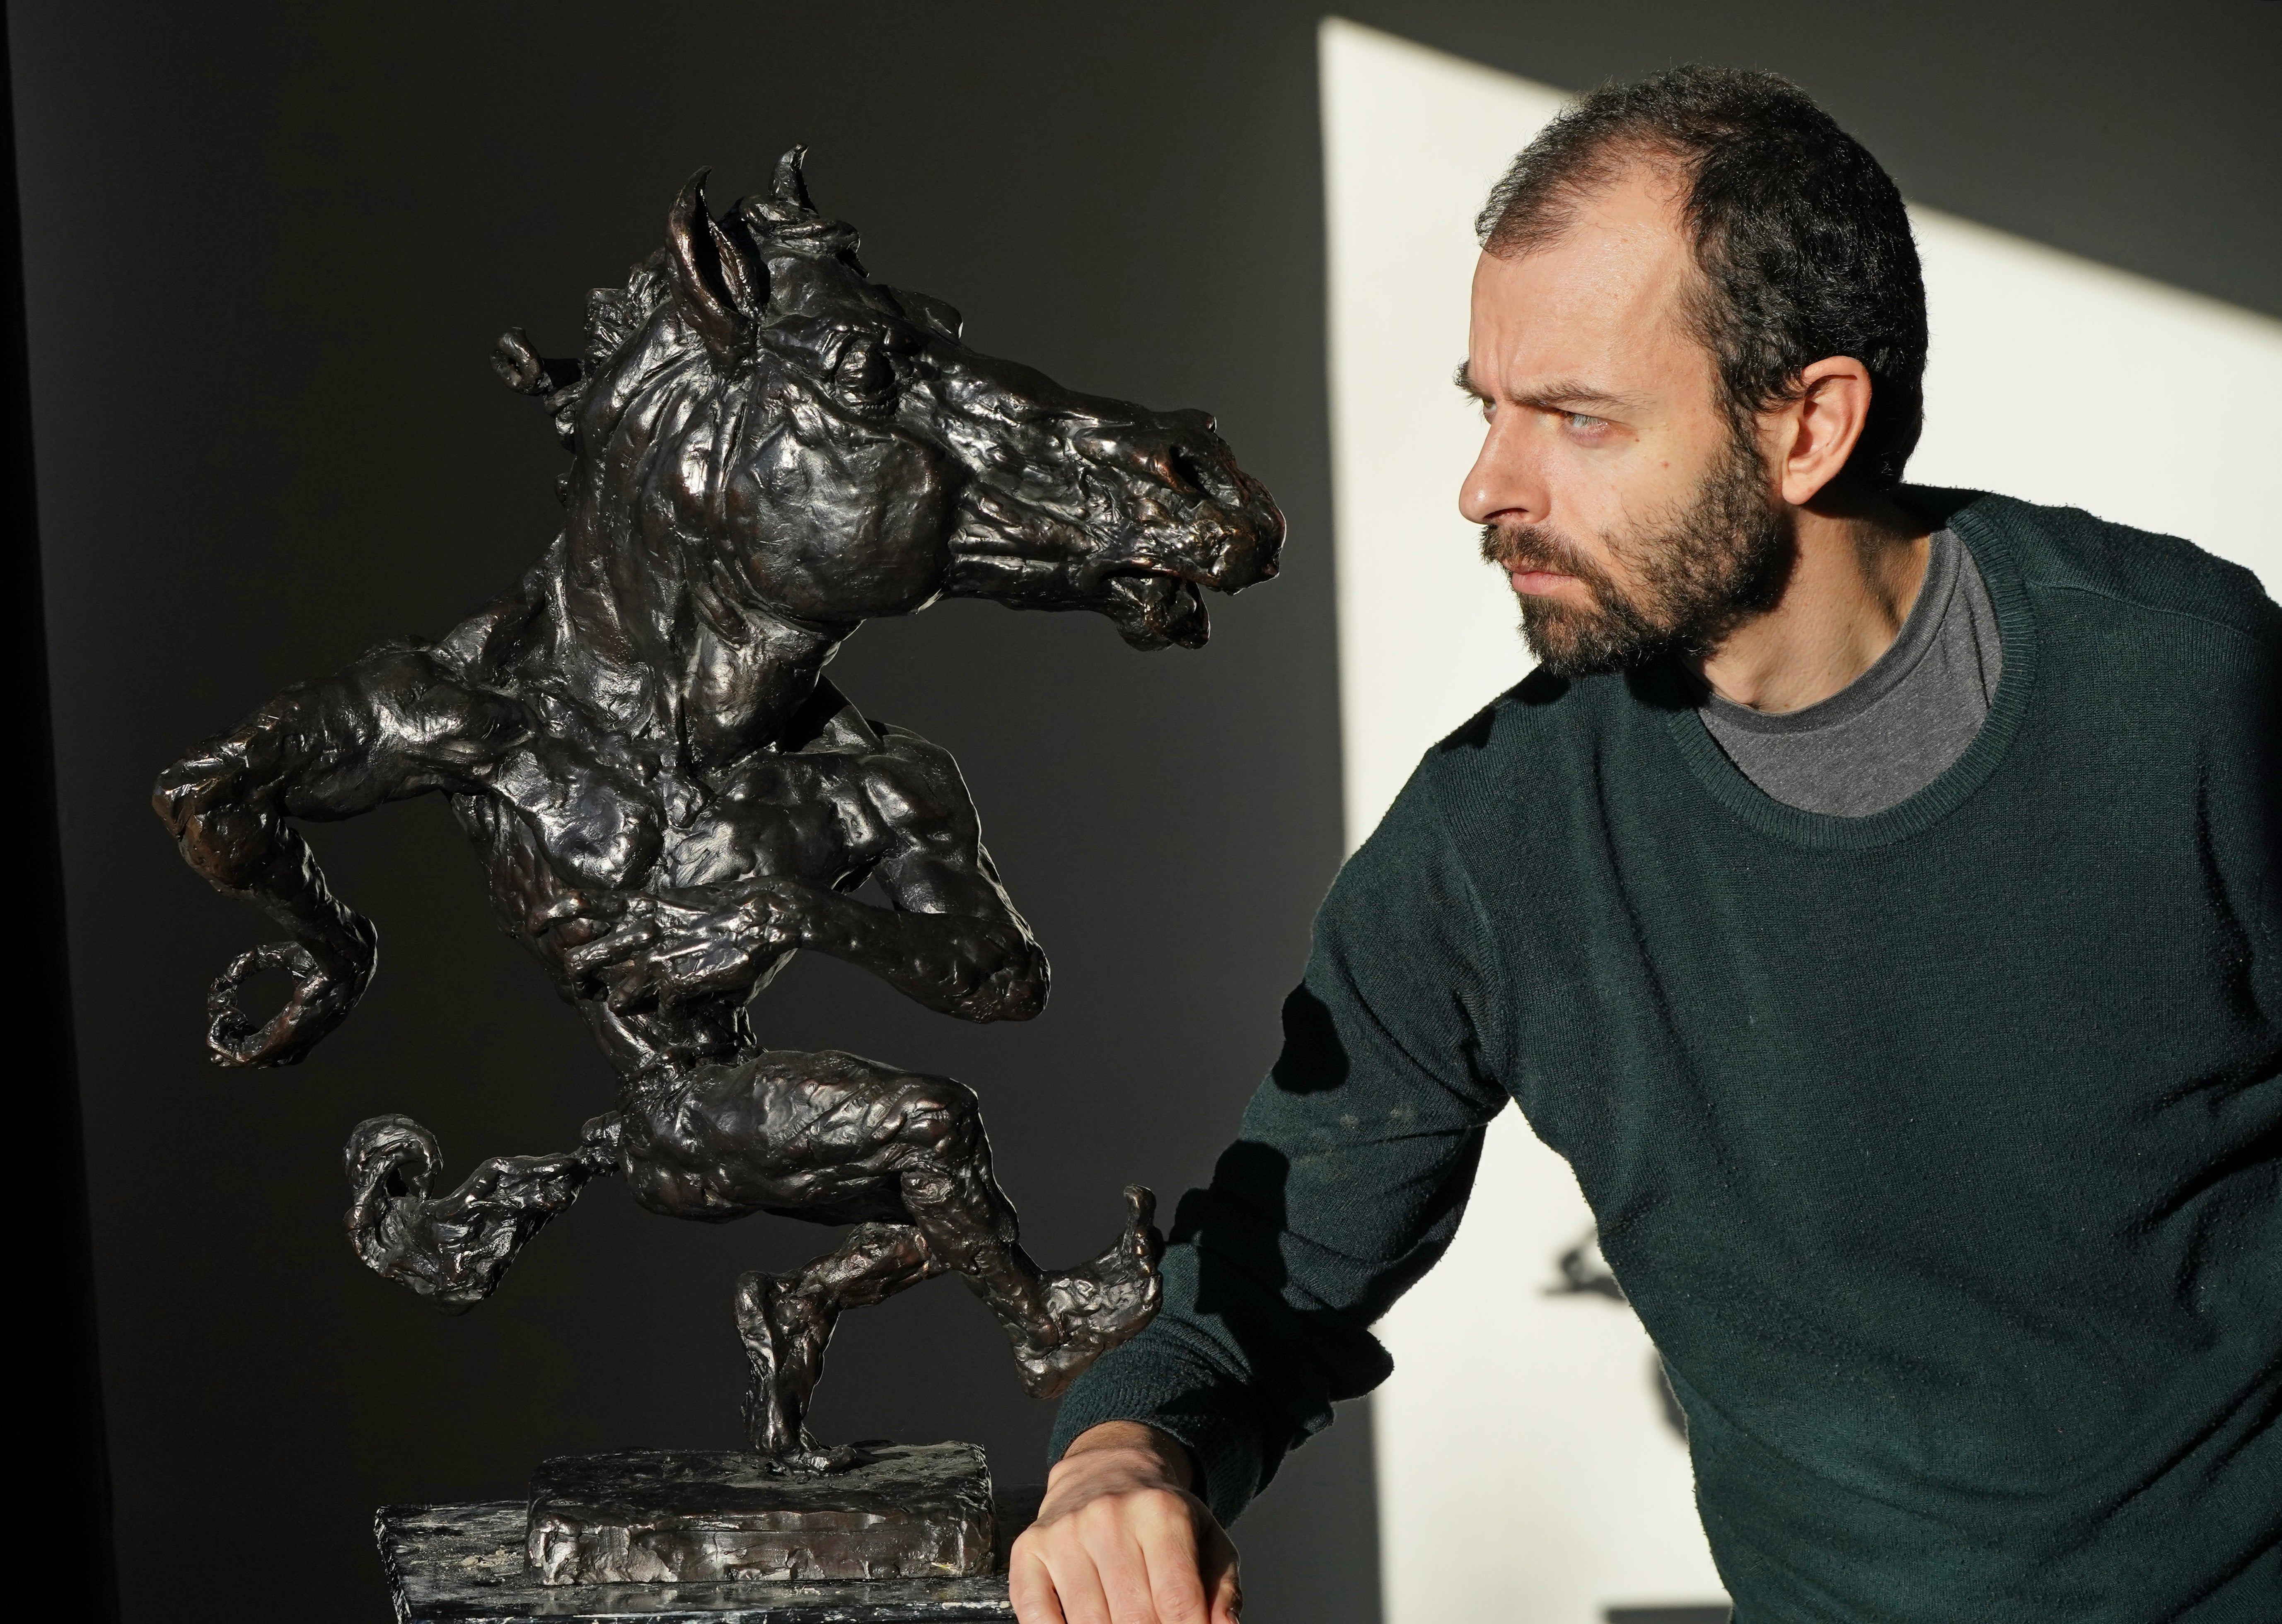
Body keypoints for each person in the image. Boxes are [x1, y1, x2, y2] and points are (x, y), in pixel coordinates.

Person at [1007, 63, 2282, 1624]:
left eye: (1574, 418)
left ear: (1809, 424)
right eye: (1487, 406)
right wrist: (1115, 1466)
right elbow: (1249, 1305)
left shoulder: (2184, 692)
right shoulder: (1491, 843)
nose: (1487, 484)